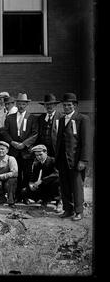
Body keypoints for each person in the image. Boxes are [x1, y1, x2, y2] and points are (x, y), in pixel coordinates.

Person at [55, 93, 92, 221]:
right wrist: (57, 158)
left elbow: (86, 141)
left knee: (76, 186)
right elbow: (60, 139)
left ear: (75, 105)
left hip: (76, 160)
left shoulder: (82, 119)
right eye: (64, 105)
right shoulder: (61, 119)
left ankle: (79, 211)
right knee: (64, 185)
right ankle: (68, 209)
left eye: (69, 105)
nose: (66, 107)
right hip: (62, 159)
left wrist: (84, 159)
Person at [0, 93, 39, 203]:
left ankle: (25, 196)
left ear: (27, 105)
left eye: (23, 104)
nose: (21, 106)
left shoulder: (31, 118)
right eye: (20, 104)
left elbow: (35, 134)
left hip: (26, 151)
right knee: (15, 173)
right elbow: (5, 132)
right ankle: (15, 195)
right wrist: (12, 142)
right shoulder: (10, 118)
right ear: (16, 104)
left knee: (26, 174)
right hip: (14, 150)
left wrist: (24, 144)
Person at [36, 93, 62, 158]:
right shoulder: (41, 118)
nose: (49, 106)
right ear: (44, 106)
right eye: (47, 104)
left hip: (56, 150)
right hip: (43, 151)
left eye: (51, 104)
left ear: (55, 105)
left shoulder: (61, 117)